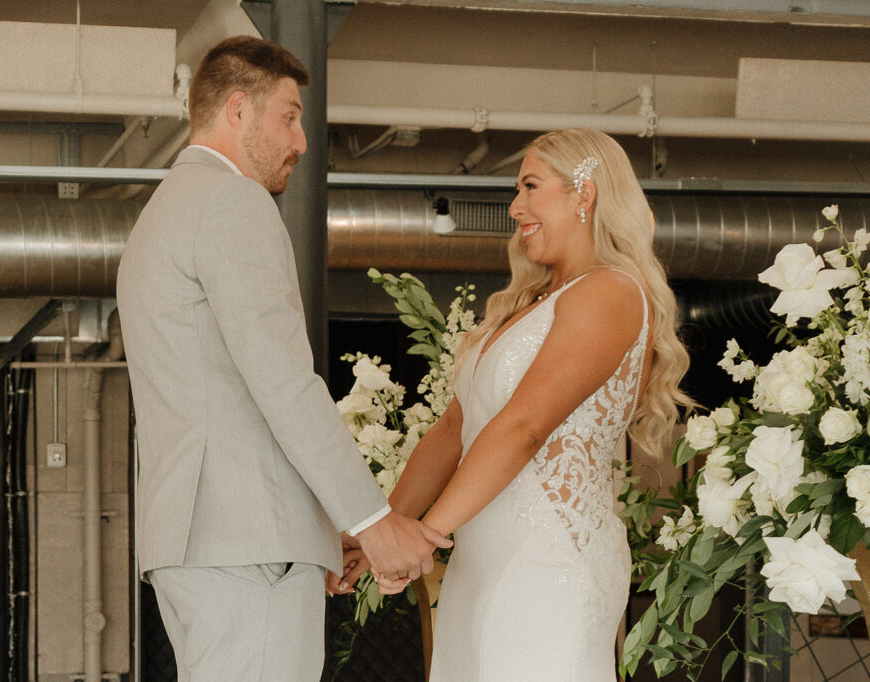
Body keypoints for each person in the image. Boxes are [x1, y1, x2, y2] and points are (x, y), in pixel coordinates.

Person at [116, 36, 448, 681]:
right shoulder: (230, 201)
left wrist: (325, 525)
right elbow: (284, 384)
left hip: (196, 543)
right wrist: (373, 521)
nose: (300, 142)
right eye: (289, 117)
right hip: (250, 543)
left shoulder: (160, 215)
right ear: (238, 110)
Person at [329, 128, 694, 680]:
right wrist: (384, 528)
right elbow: (454, 429)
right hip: (483, 557)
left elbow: (524, 426)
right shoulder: (528, 304)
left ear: (584, 193)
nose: (514, 207)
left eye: (529, 186)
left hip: (546, 561)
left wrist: (424, 538)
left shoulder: (610, 292)